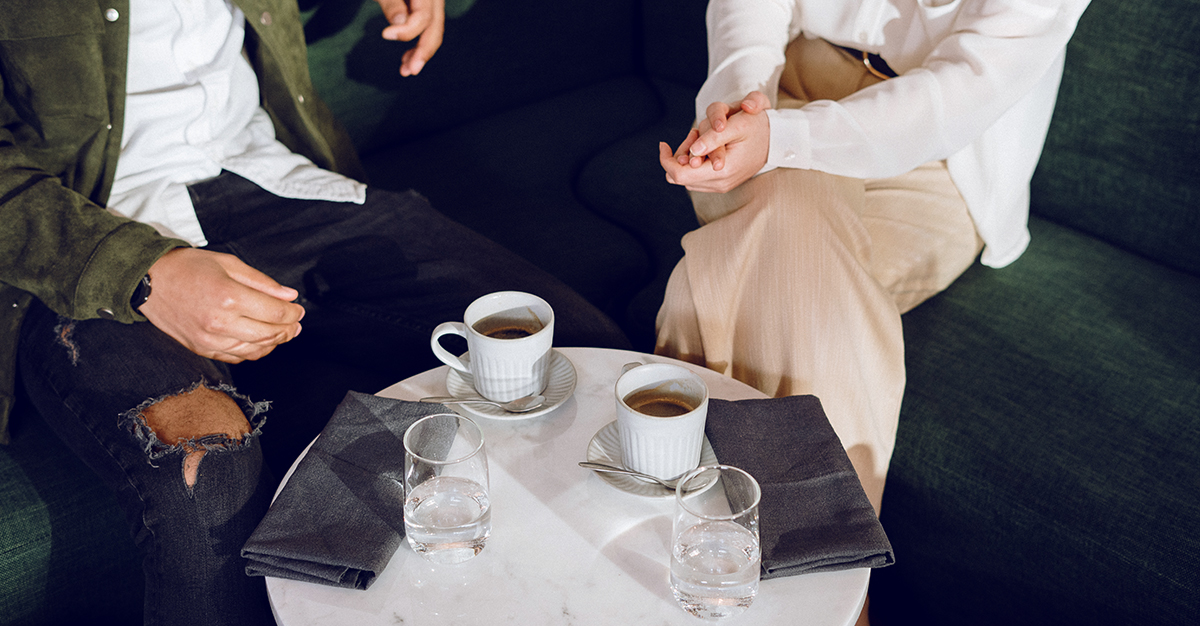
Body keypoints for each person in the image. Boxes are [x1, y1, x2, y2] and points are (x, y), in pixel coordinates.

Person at [0, 0, 628, 623]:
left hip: (275, 182)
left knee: (579, 358)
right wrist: (138, 271)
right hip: (79, 236)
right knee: (206, 477)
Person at [657, 0, 1091, 514]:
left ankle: (666, 513)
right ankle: (833, 573)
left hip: (943, 154)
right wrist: (741, 106)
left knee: (782, 275)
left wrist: (783, 141)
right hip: (783, 91)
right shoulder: (764, 111)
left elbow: (965, 89)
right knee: (797, 245)